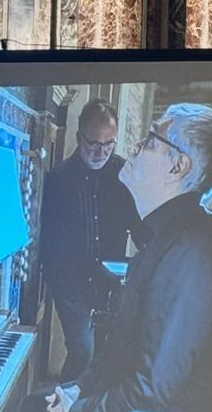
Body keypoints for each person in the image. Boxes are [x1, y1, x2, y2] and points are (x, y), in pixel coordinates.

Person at [45, 103, 212, 412]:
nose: (134, 147)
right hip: (127, 407)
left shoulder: (192, 251)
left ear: (178, 166)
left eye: (150, 141)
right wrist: (79, 388)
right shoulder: (162, 237)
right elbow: (120, 349)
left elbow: (152, 394)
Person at [37, 100, 141, 382]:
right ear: (78, 137)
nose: (101, 152)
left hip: (112, 283)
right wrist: (98, 272)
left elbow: (139, 227)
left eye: (109, 144)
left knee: (110, 357)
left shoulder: (124, 175)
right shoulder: (57, 180)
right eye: (94, 143)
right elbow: (55, 249)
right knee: (83, 352)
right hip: (71, 283)